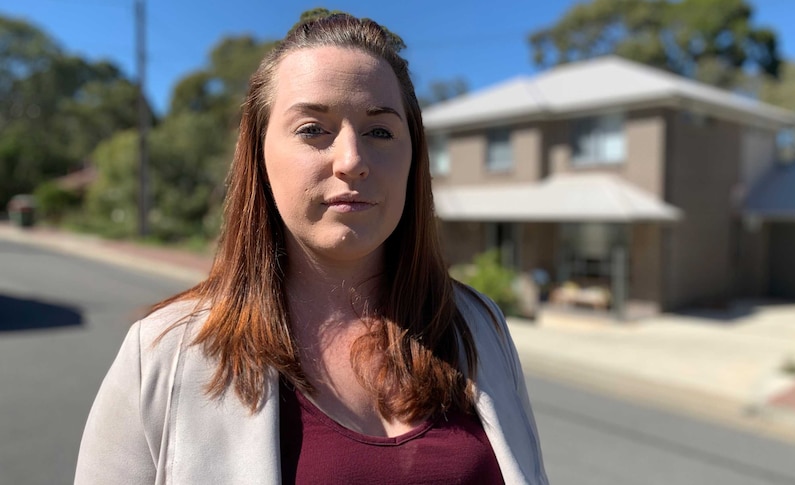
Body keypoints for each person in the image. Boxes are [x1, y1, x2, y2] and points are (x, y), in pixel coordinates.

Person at [75, 12, 547, 485]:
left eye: (380, 131)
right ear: (258, 155)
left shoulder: (480, 327)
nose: (352, 161)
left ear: (413, 156)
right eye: (312, 129)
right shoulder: (162, 354)